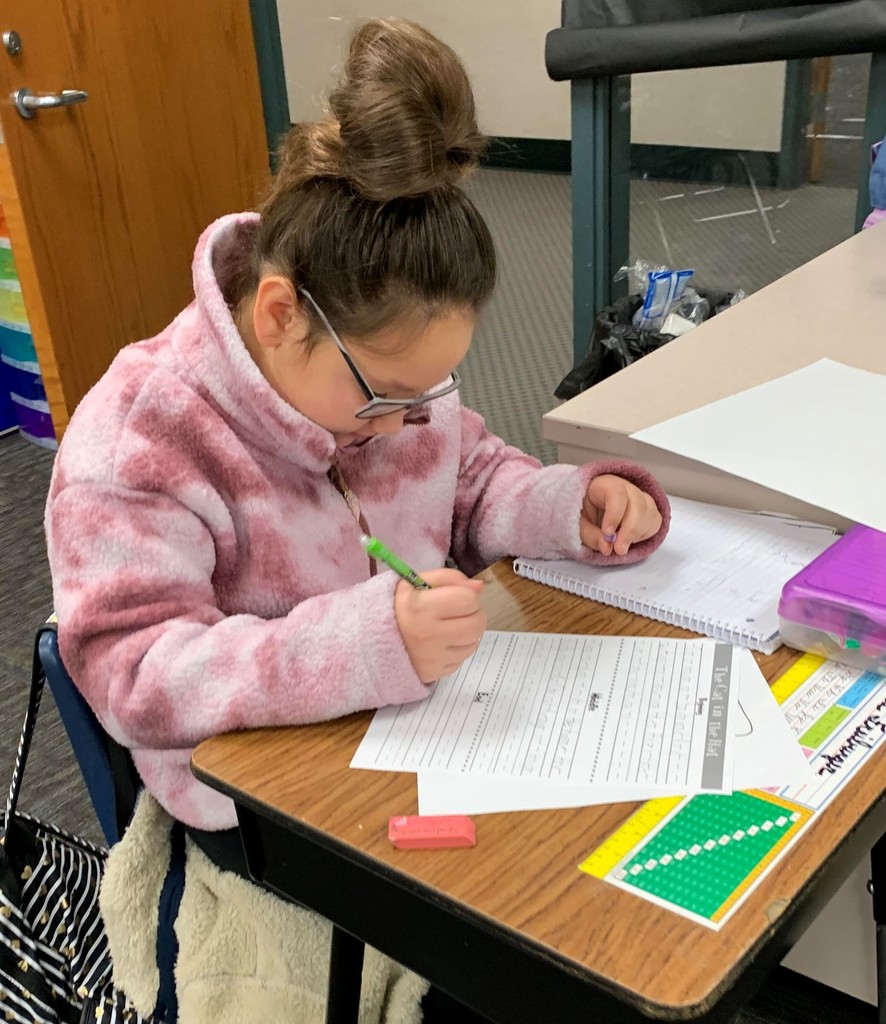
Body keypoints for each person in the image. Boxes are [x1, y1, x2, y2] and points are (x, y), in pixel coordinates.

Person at [45, 17, 670, 1023]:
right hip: (271, 801)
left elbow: (467, 475)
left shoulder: (388, 388)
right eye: (385, 395)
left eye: (428, 393)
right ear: (282, 312)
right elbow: (136, 679)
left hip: (423, 734)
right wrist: (362, 641)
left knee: (597, 893)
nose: (407, 423)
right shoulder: (140, 440)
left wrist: (569, 502)